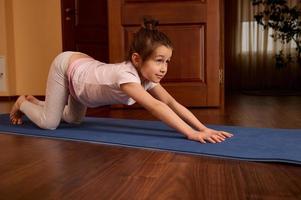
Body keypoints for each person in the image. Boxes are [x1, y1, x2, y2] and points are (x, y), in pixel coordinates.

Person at [10, 19, 233, 144]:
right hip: (66, 67)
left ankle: (39, 103)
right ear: (137, 59)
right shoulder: (126, 77)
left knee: (74, 120)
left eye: (167, 61)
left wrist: (203, 128)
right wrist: (190, 134)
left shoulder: (146, 77)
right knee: (50, 124)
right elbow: (156, 106)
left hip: (83, 78)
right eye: (158, 61)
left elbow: (172, 103)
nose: (164, 68)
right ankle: (23, 102)